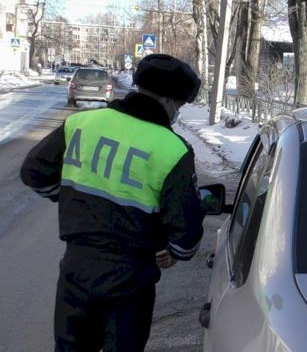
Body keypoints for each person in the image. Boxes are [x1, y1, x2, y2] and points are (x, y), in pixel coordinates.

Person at [20, 54, 206, 352]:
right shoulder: (173, 150)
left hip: (76, 270)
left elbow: (34, 172)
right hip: (131, 282)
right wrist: (174, 252)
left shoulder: (81, 123)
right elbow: (186, 232)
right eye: (180, 105)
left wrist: (69, 197)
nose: (178, 111)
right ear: (169, 101)